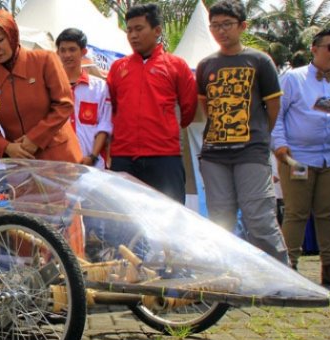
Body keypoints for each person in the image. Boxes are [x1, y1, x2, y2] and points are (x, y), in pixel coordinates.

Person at [196, 0, 289, 264]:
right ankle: (231, 274)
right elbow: (206, 108)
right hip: (214, 153)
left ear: (242, 26)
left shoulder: (260, 60)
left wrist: (258, 137)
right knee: (221, 219)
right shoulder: (205, 65)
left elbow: (273, 108)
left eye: (227, 24)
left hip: (251, 151)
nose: (220, 31)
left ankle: (279, 275)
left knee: (259, 217)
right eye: (215, 25)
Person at [272, 28, 330, 285]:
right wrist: (281, 147)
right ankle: (289, 267)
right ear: (314, 49)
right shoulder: (293, 79)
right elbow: (277, 115)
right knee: (296, 212)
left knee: (329, 213)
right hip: (298, 157)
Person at [106, 3, 197, 203]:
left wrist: (164, 128)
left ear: (157, 31)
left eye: (139, 29)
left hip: (164, 156)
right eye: (129, 30)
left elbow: (189, 107)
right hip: (124, 156)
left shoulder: (176, 66)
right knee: (124, 219)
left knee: (169, 216)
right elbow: (113, 106)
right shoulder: (118, 67)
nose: (133, 35)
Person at [0, 10, 82, 162]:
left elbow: (64, 104)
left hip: (60, 157)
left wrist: (35, 138)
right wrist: (6, 147)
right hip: (20, 163)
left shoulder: (45, 60)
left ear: (12, 35)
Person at [56, 28, 112, 169]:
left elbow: (105, 125)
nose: (67, 55)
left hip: (94, 165)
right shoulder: (52, 88)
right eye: (63, 50)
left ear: (83, 52)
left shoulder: (100, 87)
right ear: (57, 53)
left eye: (72, 49)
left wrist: (92, 156)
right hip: (60, 166)